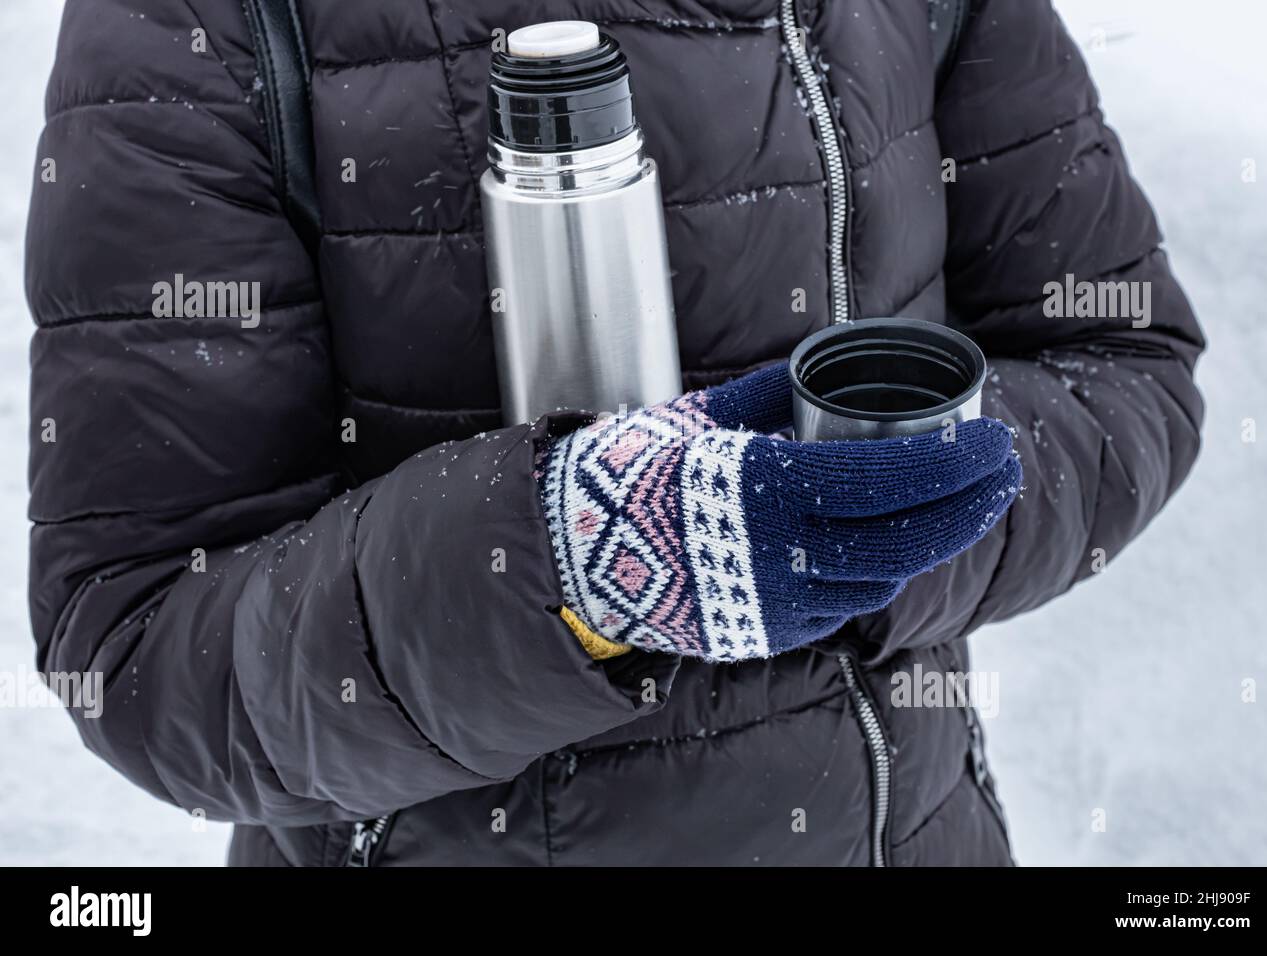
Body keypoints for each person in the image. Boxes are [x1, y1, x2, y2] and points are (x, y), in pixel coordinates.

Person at [25, 0, 1204, 866]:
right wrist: (573, 558)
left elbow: (1118, 357)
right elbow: (135, 639)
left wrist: (888, 504)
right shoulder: (198, 25)